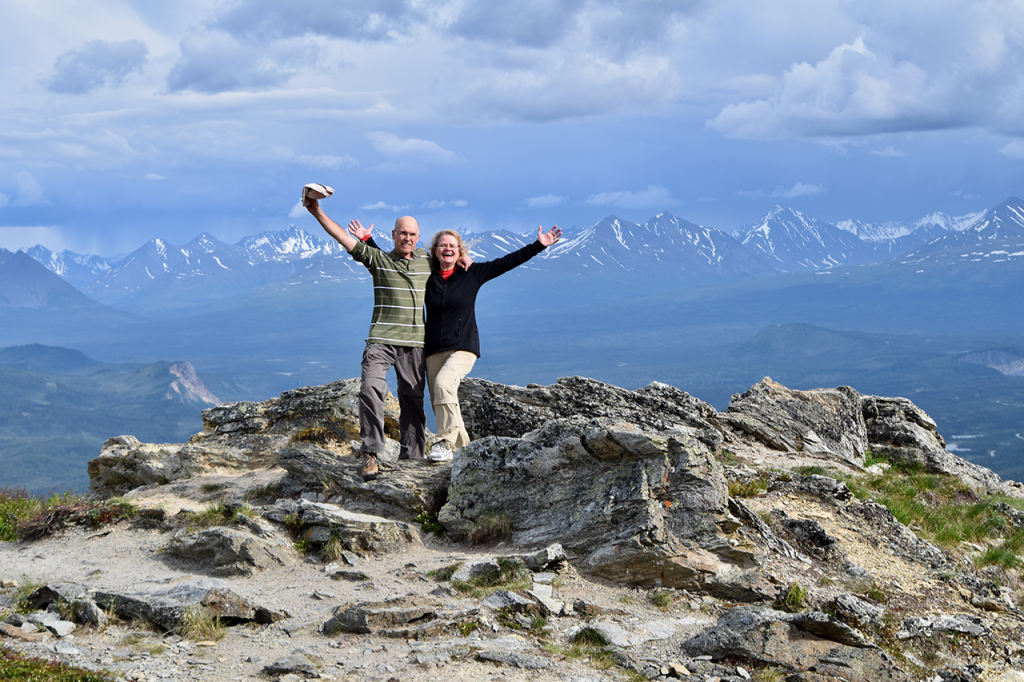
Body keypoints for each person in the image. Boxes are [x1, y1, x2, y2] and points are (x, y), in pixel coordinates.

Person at [305, 198, 439, 482]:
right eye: (402, 232)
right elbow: (343, 238)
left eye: (412, 234)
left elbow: (453, 256)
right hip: (380, 340)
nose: (407, 237)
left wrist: (464, 258)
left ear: (418, 237)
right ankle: (371, 453)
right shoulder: (378, 260)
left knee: (413, 400)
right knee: (370, 389)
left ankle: (413, 457)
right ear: (393, 235)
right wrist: (316, 211)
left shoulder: (427, 260)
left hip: (415, 343)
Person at [422, 226, 561, 461]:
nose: (447, 249)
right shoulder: (425, 274)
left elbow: (506, 262)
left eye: (452, 246)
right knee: (441, 399)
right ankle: (465, 453)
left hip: (463, 347)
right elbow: (395, 264)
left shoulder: (472, 273)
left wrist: (538, 246)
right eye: (443, 245)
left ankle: (444, 442)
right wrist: (367, 240)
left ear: (459, 251)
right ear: (435, 251)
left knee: (444, 384)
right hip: (434, 349)